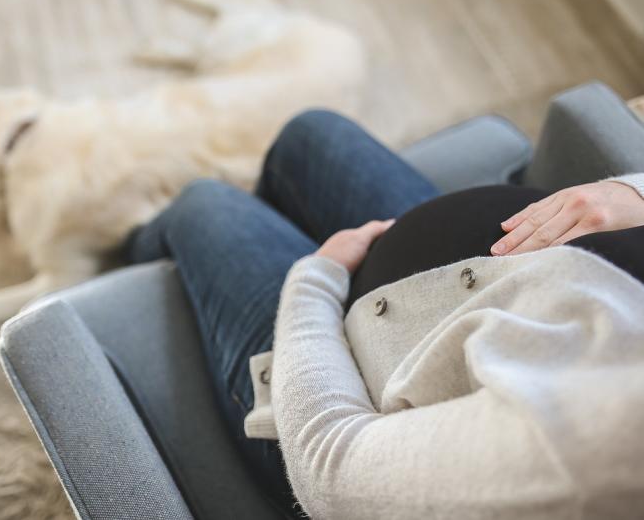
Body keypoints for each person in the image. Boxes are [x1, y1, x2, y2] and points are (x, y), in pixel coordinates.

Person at [123, 110, 644, 519]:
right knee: (309, 134)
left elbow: (330, 470)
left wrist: (315, 277)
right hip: (461, 272)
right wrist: (630, 193)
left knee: (204, 204)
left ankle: (128, 261)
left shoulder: (596, 459)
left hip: (340, 388)